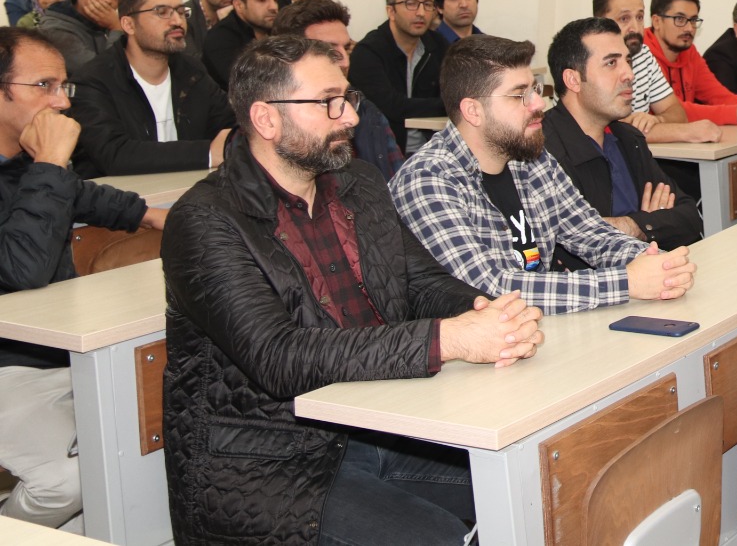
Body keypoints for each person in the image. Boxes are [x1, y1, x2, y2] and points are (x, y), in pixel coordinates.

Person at [161, 34, 543, 546]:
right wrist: (449, 339)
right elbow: (278, 357)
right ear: (266, 119)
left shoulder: (358, 183)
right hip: (267, 460)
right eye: (328, 103)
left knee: (533, 485)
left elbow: (419, 282)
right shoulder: (204, 220)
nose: (351, 117)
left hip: (380, 423)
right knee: (436, 538)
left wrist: (487, 313)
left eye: (348, 98)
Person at [391, 35, 696, 314]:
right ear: (473, 111)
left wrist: (659, 264)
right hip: (476, 347)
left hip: (536, 329)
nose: (539, 104)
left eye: (534, 90)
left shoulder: (530, 159)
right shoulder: (427, 180)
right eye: (519, 95)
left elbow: (590, 233)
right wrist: (625, 282)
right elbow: (488, 287)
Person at [0, 27, 164, 533]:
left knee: (150, 443)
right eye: (44, 86)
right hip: (9, 365)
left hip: (60, 353)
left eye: (63, 85)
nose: (62, 102)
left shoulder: (20, 166)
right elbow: (21, 269)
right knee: (67, 483)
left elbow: (88, 197)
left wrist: (156, 216)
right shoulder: (38, 165)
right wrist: (50, 161)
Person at [541, 18, 703, 263]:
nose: (629, 74)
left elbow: (690, 218)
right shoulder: (541, 150)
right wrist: (652, 225)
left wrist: (634, 226)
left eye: (628, 61)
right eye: (611, 63)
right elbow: (570, 248)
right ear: (573, 80)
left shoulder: (627, 138)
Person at [69, 0, 234, 178]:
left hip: (187, 188)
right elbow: (113, 153)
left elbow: (230, 123)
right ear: (129, 25)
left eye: (181, 12)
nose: (177, 21)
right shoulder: (93, 80)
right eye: (162, 12)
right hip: (120, 194)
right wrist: (207, 153)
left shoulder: (192, 71)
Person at [272, 0, 406, 181]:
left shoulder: (366, 111)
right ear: (289, 56)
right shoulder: (274, 117)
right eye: (329, 49)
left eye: (347, 48)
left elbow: (397, 183)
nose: (344, 61)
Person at [592, 0, 720, 145]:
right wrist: (687, 132)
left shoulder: (643, 55)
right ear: (600, 21)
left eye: (639, 17)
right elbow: (614, 131)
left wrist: (658, 119)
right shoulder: (591, 62)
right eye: (624, 18)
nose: (635, 27)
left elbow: (677, 112)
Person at [348, 0, 447, 153]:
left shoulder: (438, 45)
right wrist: (446, 104)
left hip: (433, 151)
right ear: (391, 11)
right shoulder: (368, 52)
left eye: (428, 4)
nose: (421, 13)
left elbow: (457, 94)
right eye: (411, 4)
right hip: (385, 153)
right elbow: (391, 106)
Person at [37, 0, 124, 78]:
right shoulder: (55, 29)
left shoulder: (106, 22)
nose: (108, 0)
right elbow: (102, 73)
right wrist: (116, 28)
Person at [201, 0, 278, 87]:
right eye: (262, 0)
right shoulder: (220, 38)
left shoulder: (279, 29)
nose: (273, 7)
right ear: (239, 5)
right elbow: (246, 84)